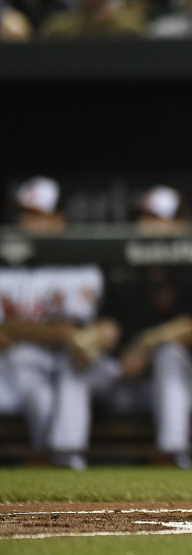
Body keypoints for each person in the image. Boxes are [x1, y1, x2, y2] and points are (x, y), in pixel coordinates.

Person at [0, 176, 120, 469]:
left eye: (37, 215)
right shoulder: (7, 267)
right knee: (38, 392)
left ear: (59, 219)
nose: (26, 222)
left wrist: (23, 329)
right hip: (21, 371)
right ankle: (63, 466)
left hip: (82, 366)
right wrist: (58, 333)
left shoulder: (80, 265)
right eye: (24, 213)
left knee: (74, 362)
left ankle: (65, 458)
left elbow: (77, 334)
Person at [100, 184, 192, 468]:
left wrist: (144, 345)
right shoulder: (125, 272)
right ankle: (63, 460)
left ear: (181, 224)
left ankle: (173, 454)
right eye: (142, 217)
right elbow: (109, 326)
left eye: (156, 218)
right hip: (136, 387)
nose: (145, 225)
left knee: (169, 353)